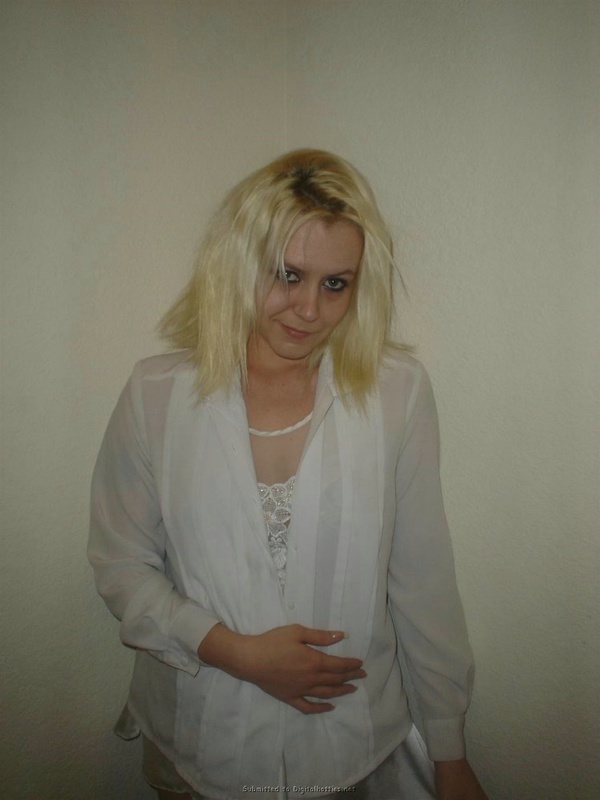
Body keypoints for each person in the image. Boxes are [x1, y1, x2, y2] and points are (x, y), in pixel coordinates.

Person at [89, 149, 488, 800]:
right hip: (198, 747)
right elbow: (121, 564)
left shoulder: (397, 393)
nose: (308, 309)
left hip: (348, 751)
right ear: (237, 263)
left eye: (336, 284)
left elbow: (422, 580)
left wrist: (449, 751)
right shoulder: (157, 395)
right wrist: (233, 651)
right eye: (288, 274)